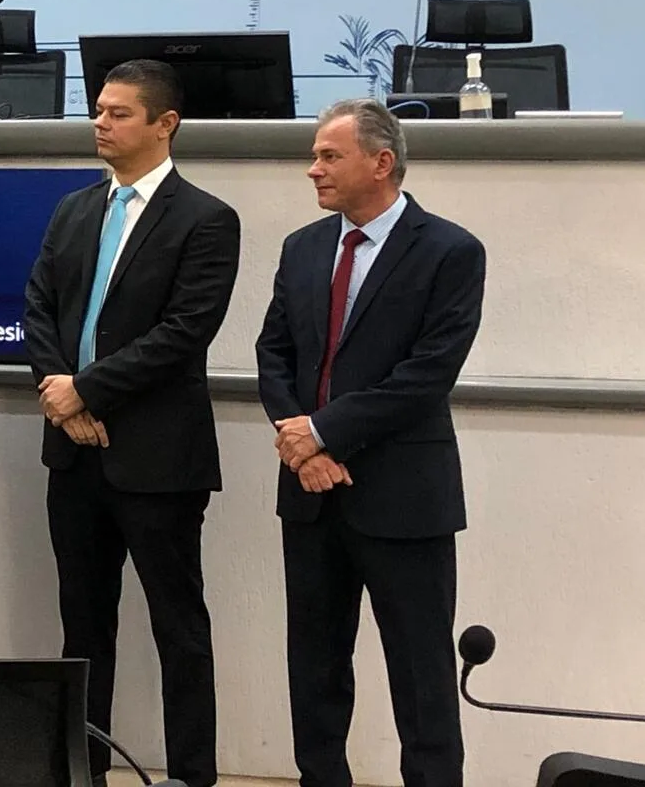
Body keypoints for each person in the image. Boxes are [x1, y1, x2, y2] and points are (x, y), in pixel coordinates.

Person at [255, 99, 486, 787]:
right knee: (315, 668)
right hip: (308, 494)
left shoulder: (449, 250)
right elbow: (273, 353)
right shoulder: (302, 247)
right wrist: (303, 445)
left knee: (420, 677)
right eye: (314, 155)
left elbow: (425, 375)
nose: (312, 170)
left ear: (381, 163)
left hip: (401, 499)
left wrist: (323, 432)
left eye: (329, 157)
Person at [24, 58, 241, 787]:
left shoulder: (206, 219)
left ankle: (191, 776)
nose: (100, 123)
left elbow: (183, 332)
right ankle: (80, 769)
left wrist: (85, 392)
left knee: (178, 628)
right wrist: (62, 399)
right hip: (74, 457)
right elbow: (39, 311)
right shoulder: (74, 210)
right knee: (83, 630)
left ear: (163, 124)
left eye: (118, 113)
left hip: (156, 460)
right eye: (98, 111)